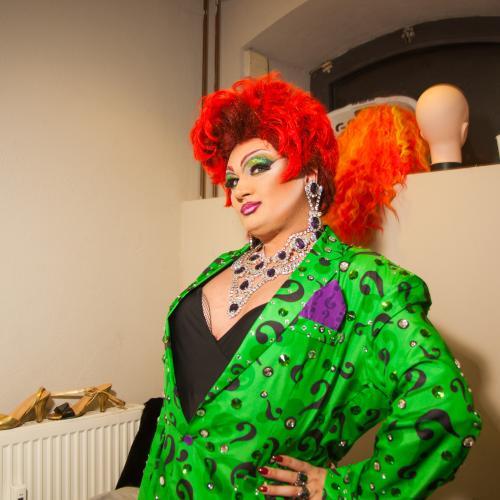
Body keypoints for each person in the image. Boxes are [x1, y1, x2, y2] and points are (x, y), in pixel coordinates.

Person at [138, 72, 481, 499]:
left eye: (258, 167)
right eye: (232, 179)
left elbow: (443, 404)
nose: (240, 188)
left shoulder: (357, 281)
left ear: (310, 173)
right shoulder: (219, 267)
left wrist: (342, 488)